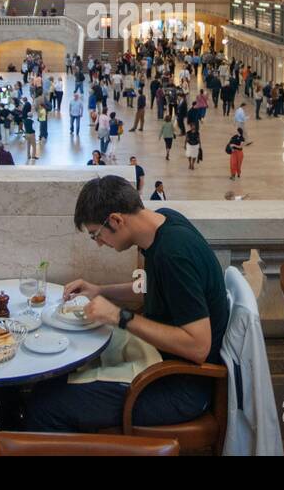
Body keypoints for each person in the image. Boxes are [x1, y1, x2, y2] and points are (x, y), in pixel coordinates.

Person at [23, 176, 228, 433]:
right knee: (51, 382)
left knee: (45, 407)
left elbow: (199, 346)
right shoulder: (163, 222)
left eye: (96, 234)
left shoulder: (174, 255)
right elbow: (155, 288)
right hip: (159, 362)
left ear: (117, 220)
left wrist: (121, 316)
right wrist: (100, 290)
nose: (98, 243)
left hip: (180, 387)